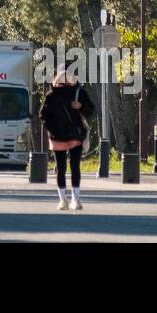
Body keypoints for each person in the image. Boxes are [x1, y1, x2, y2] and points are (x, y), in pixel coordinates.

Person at [40, 69, 93, 210]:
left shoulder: (77, 93)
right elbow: (44, 115)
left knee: (69, 167)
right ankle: (67, 200)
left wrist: (81, 106)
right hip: (62, 135)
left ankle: (69, 200)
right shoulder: (52, 96)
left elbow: (90, 110)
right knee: (65, 168)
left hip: (69, 135)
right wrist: (53, 129)